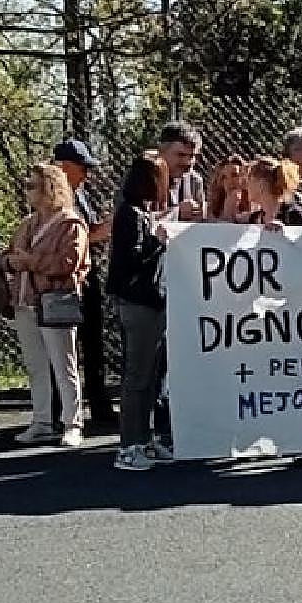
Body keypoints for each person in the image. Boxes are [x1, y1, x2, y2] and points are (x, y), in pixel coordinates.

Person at [3, 163, 89, 448]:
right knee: (36, 365)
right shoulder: (27, 223)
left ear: (49, 188)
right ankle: (41, 420)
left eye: (32, 185)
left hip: (54, 301)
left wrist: (30, 262)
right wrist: (8, 263)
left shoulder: (70, 223)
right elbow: (8, 253)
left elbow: (69, 263)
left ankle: (72, 423)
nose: (27, 191)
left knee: (64, 365)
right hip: (25, 300)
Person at [107, 154, 172, 471]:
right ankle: (128, 445)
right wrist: (155, 241)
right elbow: (129, 261)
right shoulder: (130, 215)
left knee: (149, 375)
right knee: (137, 376)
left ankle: (144, 439)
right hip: (137, 303)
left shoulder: (142, 213)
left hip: (150, 302)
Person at [52, 138, 116, 426]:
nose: (87, 174)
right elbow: (73, 239)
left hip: (86, 277)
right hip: (65, 281)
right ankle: (62, 411)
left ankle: (99, 405)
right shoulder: (55, 200)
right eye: (82, 167)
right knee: (65, 347)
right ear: (64, 167)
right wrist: (103, 232)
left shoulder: (81, 195)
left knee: (92, 343)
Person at [246, 158, 302, 228]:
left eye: (249, 180)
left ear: (261, 185)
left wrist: (286, 233)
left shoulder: (295, 214)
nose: (247, 186)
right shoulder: (256, 218)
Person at [158, 121, 205, 221]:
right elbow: (130, 220)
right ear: (162, 152)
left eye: (192, 156)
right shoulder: (142, 177)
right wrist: (176, 213)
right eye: (181, 155)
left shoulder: (194, 181)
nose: (188, 162)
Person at [207, 155, 251, 223]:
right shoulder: (214, 209)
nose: (229, 181)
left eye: (234, 175)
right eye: (224, 177)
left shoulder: (254, 204)